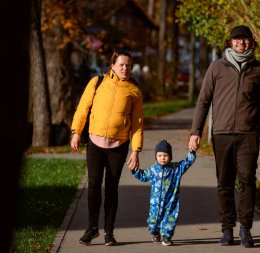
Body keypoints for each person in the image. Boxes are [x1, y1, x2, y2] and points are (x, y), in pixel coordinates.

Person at [188, 25, 260, 248]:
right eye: (237, 40)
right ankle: (227, 229)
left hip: (249, 134)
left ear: (251, 42)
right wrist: (195, 131)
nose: (241, 43)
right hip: (222, 134)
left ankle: (245, 229)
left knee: (247, 179)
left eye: (245, 39)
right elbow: (203, 101)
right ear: (230, 43)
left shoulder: (259, 70)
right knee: (224, 182)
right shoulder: (217, 67)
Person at [71, 49, 144, 246]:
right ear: (112, 65)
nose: (125, 68)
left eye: (128, 65)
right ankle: (92, 229)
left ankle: (109, 232)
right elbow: (83, 108)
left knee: (111, 189)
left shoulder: (134, 91)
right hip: (95, 143)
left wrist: (136, 151)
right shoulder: (97, 83)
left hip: (118, 146)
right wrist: (76, 131)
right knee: (94, 186)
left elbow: (137, 124)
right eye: (121, 64)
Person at [130, 140, 196, 246]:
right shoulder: (153, 170)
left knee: (169, 220)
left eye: (165, 155)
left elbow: (187, 162)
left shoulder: (176, 169)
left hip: (171, 202)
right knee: (153, 222)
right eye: (159, 155)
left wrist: (192, 152)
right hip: (155, 204)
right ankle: (155, 233)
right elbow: (143, 176)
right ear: (156, 156)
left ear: (170, 156)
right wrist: (135, 170)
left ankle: (166, 237)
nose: (162, 158)